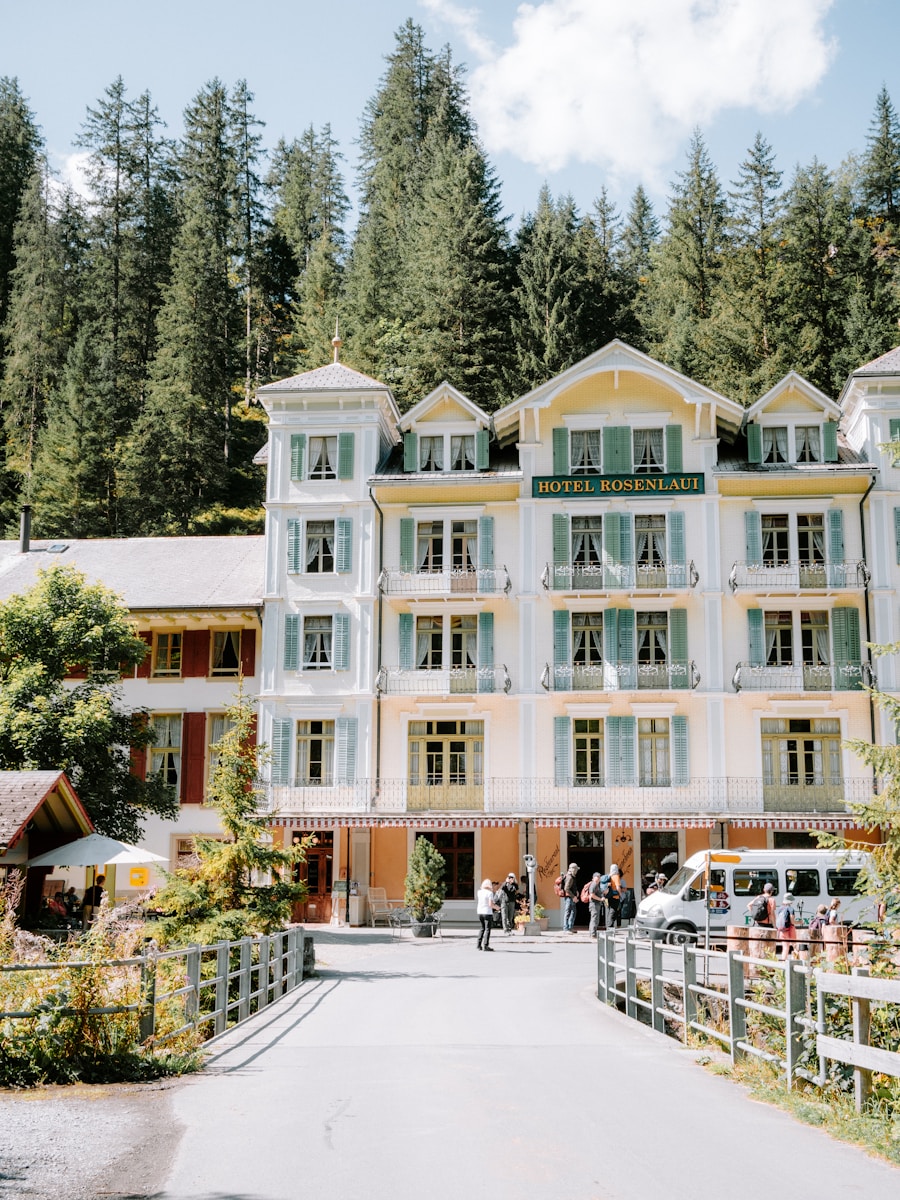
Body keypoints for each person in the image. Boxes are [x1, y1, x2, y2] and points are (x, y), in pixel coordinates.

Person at [476, 878, 496, 950]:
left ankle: (478, 945)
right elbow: (490, 904)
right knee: (488, 929)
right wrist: (497, 907)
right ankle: (486, 945)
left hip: (480, 912)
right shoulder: (490, 893)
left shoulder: (479, 892)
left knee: (482, 928)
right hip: (487, 912)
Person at [606, 863, 624, 929]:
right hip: (615, 896)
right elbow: (618, 887)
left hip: (608, 896)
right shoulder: (616, 876)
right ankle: (610, 927)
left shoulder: (609, 876)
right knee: (613, 912)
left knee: (610, 911)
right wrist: (620, 894)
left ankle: (609, 925)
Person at [563, 862, 580, 931]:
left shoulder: (571, 876)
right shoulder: (569, 877)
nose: (576, 871)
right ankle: (566, 928)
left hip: (571, 898)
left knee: (573, 912)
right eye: (576, 869)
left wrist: (576, 892)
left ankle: (570, 927)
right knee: (568, 912)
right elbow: (566, 888)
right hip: (569, 898)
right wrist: (573, 897)